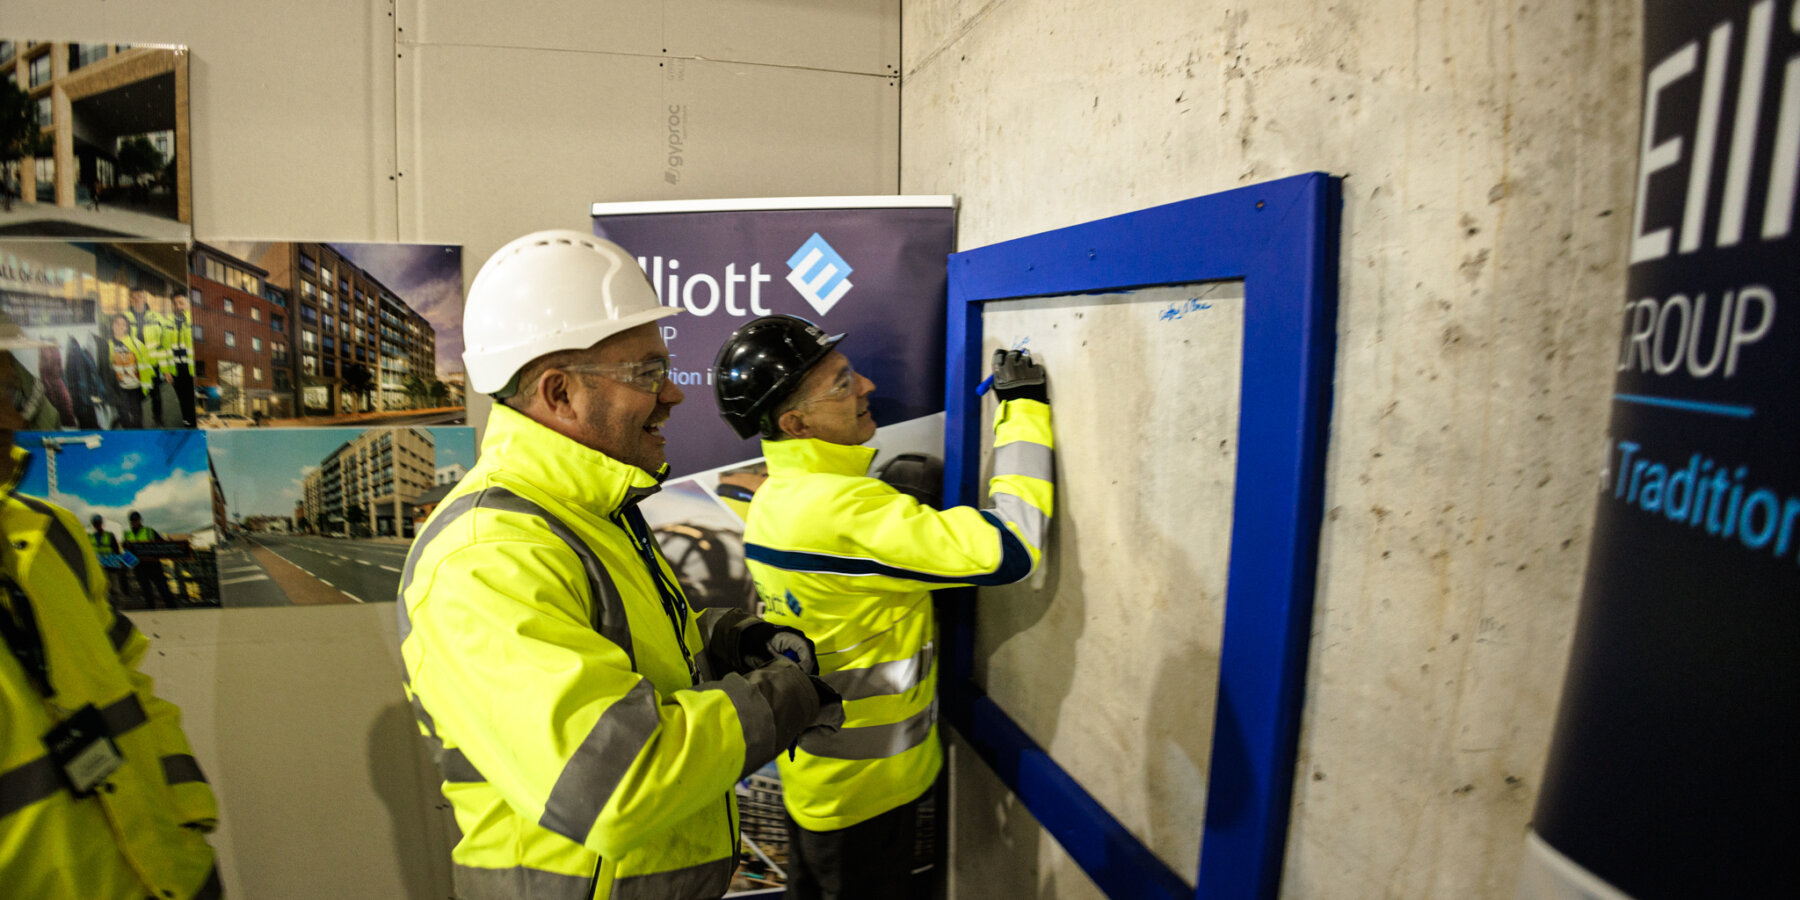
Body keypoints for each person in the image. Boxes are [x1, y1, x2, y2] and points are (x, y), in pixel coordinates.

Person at [398, 230, 843, 900]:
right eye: (646, 374)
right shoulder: (488, 558)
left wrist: (728, 642)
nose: (673, 395)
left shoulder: (584, 509)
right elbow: (616, 784)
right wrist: (785, 698)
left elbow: (624, 644)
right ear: (559, 394)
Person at [712, 316, 1055, 900]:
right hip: (866, 793)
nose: (867, 386)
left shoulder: (777, 495)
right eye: (843, 384)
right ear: (796, 423)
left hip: (822, 774)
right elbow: (1013, 548)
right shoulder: (842, 510)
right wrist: (1022, 409)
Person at [0, 318, 222, 899]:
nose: (15, 418)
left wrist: (189, 812)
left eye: (11, 391)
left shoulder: (53, 535)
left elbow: (133, 687)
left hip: (169, 874)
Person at [126, 286, 181, 429]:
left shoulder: (157, 318)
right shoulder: (125, 319)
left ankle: (158, 420)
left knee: (156, 396)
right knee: (135, 398)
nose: (137, 299)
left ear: (145, 299)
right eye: (134, 297)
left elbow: (164, 347)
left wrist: (166, 370)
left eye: (140, 296)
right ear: (130, 301)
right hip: (135, 366)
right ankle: (138, 427)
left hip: (153, 366)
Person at [123, 510, 176, 609]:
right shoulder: (127, 534)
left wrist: (171, 545)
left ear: (140, 520)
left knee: (162, 587)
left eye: (136, 520)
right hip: (139, 566)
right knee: (146, 590)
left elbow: (162, 544)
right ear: (130, 522)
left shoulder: (149, 531)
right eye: (132, 520)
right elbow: (125, 550)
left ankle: (172, 608)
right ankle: (151, 609)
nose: (134, 522)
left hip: (153, 564)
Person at [105, 313, 145, 429]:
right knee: (124, 417)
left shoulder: (135, 344)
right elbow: (107, 368)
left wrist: (145, 388)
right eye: (117, 323)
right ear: (112, 326)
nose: (120, 327)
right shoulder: (108, 345)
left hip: (134, 388)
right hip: (119, 389)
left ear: (127, 327)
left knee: (137, 418)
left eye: (123, 324)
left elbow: (145, 364)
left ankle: (139, 438)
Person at [166, 293, 197, 427]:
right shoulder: (168, 322)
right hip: (176, 371)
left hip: (190, 370)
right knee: (182, 401)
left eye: (181, 303)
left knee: (192, 401)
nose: (178, 306)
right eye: (176, 303)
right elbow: (165, 348)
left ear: (189, 304)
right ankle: (188, 426)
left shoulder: (194, 321)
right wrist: (166, 371)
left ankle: (193, 426)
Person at [89, 513, 132, 604]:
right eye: (95, 523)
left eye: (98, 523)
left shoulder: (109, 535)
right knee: (102, 587)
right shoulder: (91, 537)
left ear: (101, 523)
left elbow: (116, 550)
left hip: (110, 565)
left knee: (114, 587)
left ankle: (119, 604)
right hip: (98, 566)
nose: (97, 525)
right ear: (93, 525)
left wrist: (117, 563)